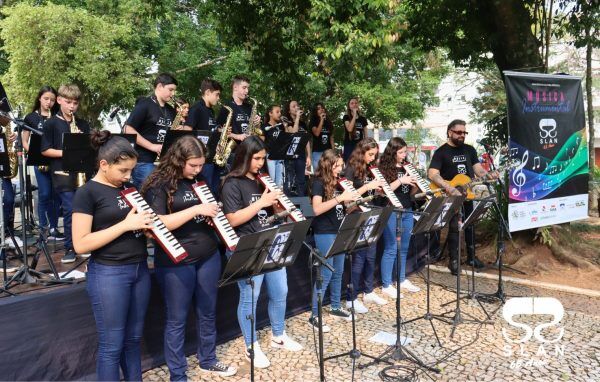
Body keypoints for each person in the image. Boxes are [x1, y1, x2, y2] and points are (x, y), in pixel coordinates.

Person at [142, 135, 237, 379]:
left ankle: (208, 359)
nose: (197, 169)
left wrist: (212, 211)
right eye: (192, 165)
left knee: (208, 311)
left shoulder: (200, 178)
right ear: (178, 160)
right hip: (176, 260)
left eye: (200, 165)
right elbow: (157, 222)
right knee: (177, 319)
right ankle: (178, 374)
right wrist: (196, 209)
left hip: (208, 254)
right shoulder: (159, 184)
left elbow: (207, 207)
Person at [72, 130, 152, 381]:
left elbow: (138, 223)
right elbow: (81, 244)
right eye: (123, 171)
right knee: (111, 346)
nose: (129, 176)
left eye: (131, 170)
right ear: (104, 165)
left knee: (133, 340)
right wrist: (125, 225)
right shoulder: (87, 193)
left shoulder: (129, 188)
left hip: (139, 269)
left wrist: (149, 230)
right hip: (109, 273)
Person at [221, 136, 303, 369]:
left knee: (281, 291)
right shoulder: (231, 183)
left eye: (263, 158)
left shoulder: (262, 181)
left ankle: (278, 335)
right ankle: (251, 345)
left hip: (271, 241)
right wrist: (261, 202)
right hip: (247, 245)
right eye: (256, 158)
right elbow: (233, 219)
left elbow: (268, 213)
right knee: (250, 298)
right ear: (244, 157)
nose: (260, 163)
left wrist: (278, 207)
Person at [428, 119, 495, 275]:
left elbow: (478, 170)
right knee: (453, 227)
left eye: (464, 132)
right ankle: (454, 261)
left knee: (470, 225)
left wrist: (489, 175)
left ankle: (472, 257)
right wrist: (449, 187)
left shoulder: (469, 150)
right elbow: (432, 173)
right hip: (450, 196)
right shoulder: (441, 152)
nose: (462, 135)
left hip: (467, 194)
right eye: (458, 132)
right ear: (450, 132)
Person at [41, 84, 91, 263]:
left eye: (75, 103)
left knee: (85, 210)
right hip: (61, 173)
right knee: (70, 210)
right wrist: (69, 151)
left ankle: (84, 243)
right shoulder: (51, 123)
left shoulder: (83, 123)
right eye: (68, 102)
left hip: (82, 172)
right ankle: (70, 247)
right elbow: (45, 150)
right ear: (60, 100)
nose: (72, 107)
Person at [307, 149, 355, 332]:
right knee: (325, 273)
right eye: (338, 165)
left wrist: (351, 198)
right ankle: (314, 315)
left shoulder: (338, 182)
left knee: (339, 271)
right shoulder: (318, 183)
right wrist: (339, 198)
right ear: (329, 164)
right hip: (325, 232)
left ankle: (335, 306)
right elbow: (316, 209)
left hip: (340, 230)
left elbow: (345, 209)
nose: (341, 169)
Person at [343, 138, 387, 313]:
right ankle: (350, 298)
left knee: (371, 255)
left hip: (370, 213)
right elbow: (347, 195)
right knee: (359, 258)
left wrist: (376, 190)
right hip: (356, 216)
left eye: (374, 155)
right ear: (361, 152)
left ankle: (368, 291)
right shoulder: (351, 168)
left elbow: (366, 192)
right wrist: (368, 185)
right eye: (370, 155)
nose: (372, 158)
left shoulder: (368, 169)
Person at [378, 138, 420, 299]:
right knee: (391, 247)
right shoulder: (383, 168)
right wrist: (401, 180)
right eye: (401, 152)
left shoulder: (406, 167)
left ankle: (401, 279)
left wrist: (415, 184)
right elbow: (384, 191)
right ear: (392, 152)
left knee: (404, 246)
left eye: (405, 152)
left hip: (407, 209)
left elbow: (409, 193)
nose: (404, 155)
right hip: (391, 210)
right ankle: (386, 284)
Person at [23, 86, 63, 240]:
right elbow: (24, 140)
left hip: (56, 161)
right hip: (40, 161)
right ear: (39, 98)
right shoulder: (31, 117)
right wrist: (34, 154)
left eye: (52, 100)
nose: (49, 102)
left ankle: (53, 228)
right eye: (46, 98)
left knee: (55, 195)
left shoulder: (57, 117)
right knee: (44, 194)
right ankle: (42, 230)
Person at [124, 73, 178, 189]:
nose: (173, 94)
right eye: (170, 90)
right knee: (148, 193)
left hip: (165, 162)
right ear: (159, 86)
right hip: (144, 161)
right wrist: (152, 146)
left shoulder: (171, 111)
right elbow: (128, 129)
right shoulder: (145, 104)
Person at [184, 79, 223, 195]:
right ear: (207, 92)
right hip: (201, 159)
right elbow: (187, 131)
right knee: (206, 191)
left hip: (212, 157)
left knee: (214, 190)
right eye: (217, 94)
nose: (218, 98)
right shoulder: (196, 109)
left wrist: (220, 131)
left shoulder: (210, 110)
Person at [282, 100, 310, 196]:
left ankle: (301, 199)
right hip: (290, 155)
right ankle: (289, 202)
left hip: (301, 155)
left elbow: (307, 140)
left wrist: (309, 156)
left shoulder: (303, 124)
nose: (296, 107)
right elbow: (293, 133)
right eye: (293, 106)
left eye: (297, 105)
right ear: (289, 110)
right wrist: (297, 117)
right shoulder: (287, 121)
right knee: (289, 179)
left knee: (301, 179)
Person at [262, 104, 285, 186]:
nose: (280, 114)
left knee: (279, 183)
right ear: (270, 113)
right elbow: (261, 142)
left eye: (280, 112)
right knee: (271, 180)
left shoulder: (281, 126)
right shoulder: (265, 127)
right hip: (270, 156)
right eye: (277, 112)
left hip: (279, 156)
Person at [342, 97, 368, 163]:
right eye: (352, 103)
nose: (354, 105)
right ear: (349, 106)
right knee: (350, 166)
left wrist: (366, 145)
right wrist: (354, 116)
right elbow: (349, 129)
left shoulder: (362, 118)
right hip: (349, 146)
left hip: (360, 146)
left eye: (356, 103)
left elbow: (366, 134)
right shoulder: (346, 117)